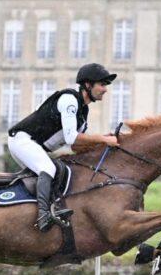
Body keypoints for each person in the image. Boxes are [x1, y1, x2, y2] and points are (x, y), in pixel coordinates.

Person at [8, 62, 120, 231]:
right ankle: (43, 217)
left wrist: (104, 144)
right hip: (22, 140)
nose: (105, 89)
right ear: (88, 85)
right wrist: (103, 139)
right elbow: (71, 137)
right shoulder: (70, 100)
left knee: (62, 171)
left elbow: (76, 146)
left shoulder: (83, 112)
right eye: (102, 84)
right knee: (48, 168)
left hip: (33, 146)